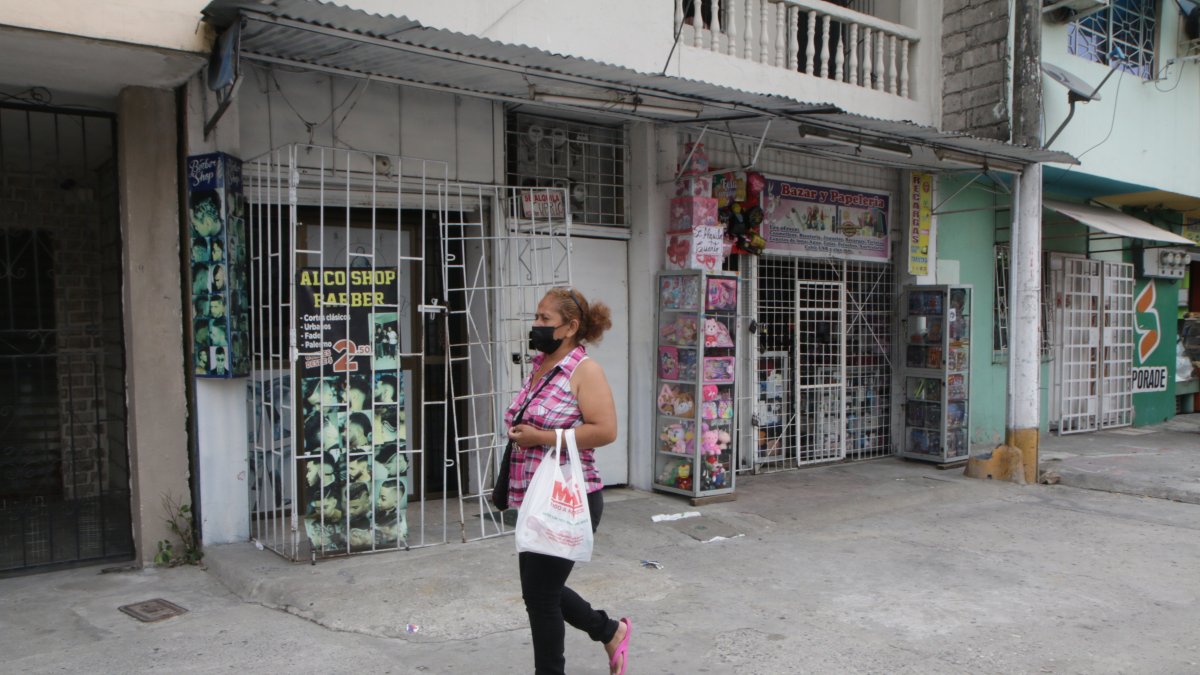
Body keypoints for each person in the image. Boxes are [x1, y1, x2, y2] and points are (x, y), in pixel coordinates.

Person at [503, 287, 630, 675]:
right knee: (541, 592)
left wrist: (542, 438)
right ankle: (610, 631)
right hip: (534, 497)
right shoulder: (541, 365)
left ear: (571, 327)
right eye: (536, 317)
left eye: (545, 320)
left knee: (541, 597)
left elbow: (606, 430)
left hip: (569, 498)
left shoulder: (584, 371)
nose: (536, 325)